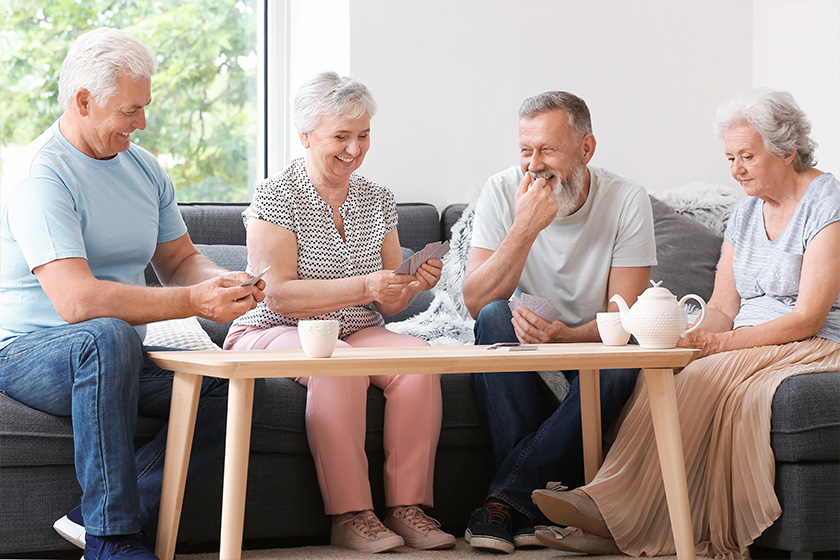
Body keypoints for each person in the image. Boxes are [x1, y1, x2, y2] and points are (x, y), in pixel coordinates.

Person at [532, 89, 840, 559]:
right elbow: (720, 305)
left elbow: (808, 316)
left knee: (701, 377)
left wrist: (721, 344)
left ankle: (604, 503)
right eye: (730, 157)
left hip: (808, 340)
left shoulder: (825, 202)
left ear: (787, 150)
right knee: (658, 369)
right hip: (747, 340)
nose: (736, 169)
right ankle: (624, 520)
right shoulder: (746, 211)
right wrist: (690, 338)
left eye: (747, 156)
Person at [0, 28, 267, 560]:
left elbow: (178, 261)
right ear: (83, 101)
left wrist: (219, 280)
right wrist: (193, 303)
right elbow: (76, 302)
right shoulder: (41, 174)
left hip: (116, 352)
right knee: (107, 335)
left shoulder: (144, 169)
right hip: (32, 351)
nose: (142, 122)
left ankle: (97, 514)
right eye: (129, 110)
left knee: (227, 383)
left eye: (144, 107)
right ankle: (111, 538)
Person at [223, 71, 456, 553]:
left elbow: (389, 300)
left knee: (418, 360)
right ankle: (350, 515)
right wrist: (369, 285)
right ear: (306, 136)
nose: (355, 149)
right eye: (341, 136)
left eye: (364, 135)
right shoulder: (276, 195)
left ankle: (408, 507)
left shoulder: (378, 198)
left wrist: (410, 283)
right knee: (340, 366)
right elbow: (279, 293)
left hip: (356, 328)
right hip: (274, 328)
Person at [461, 90, 657, 554]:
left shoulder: (627, 199)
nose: (534, 165)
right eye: (526, 150)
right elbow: (474, 301)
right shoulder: (501, 189)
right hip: (525, 353)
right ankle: (533, 504)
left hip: (591, 354)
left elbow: (624, 317)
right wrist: (524, 227)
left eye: (547, 150)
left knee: (627, 354)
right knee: (493, 317)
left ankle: (506, 503)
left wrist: (567, 335)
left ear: (586, 149)